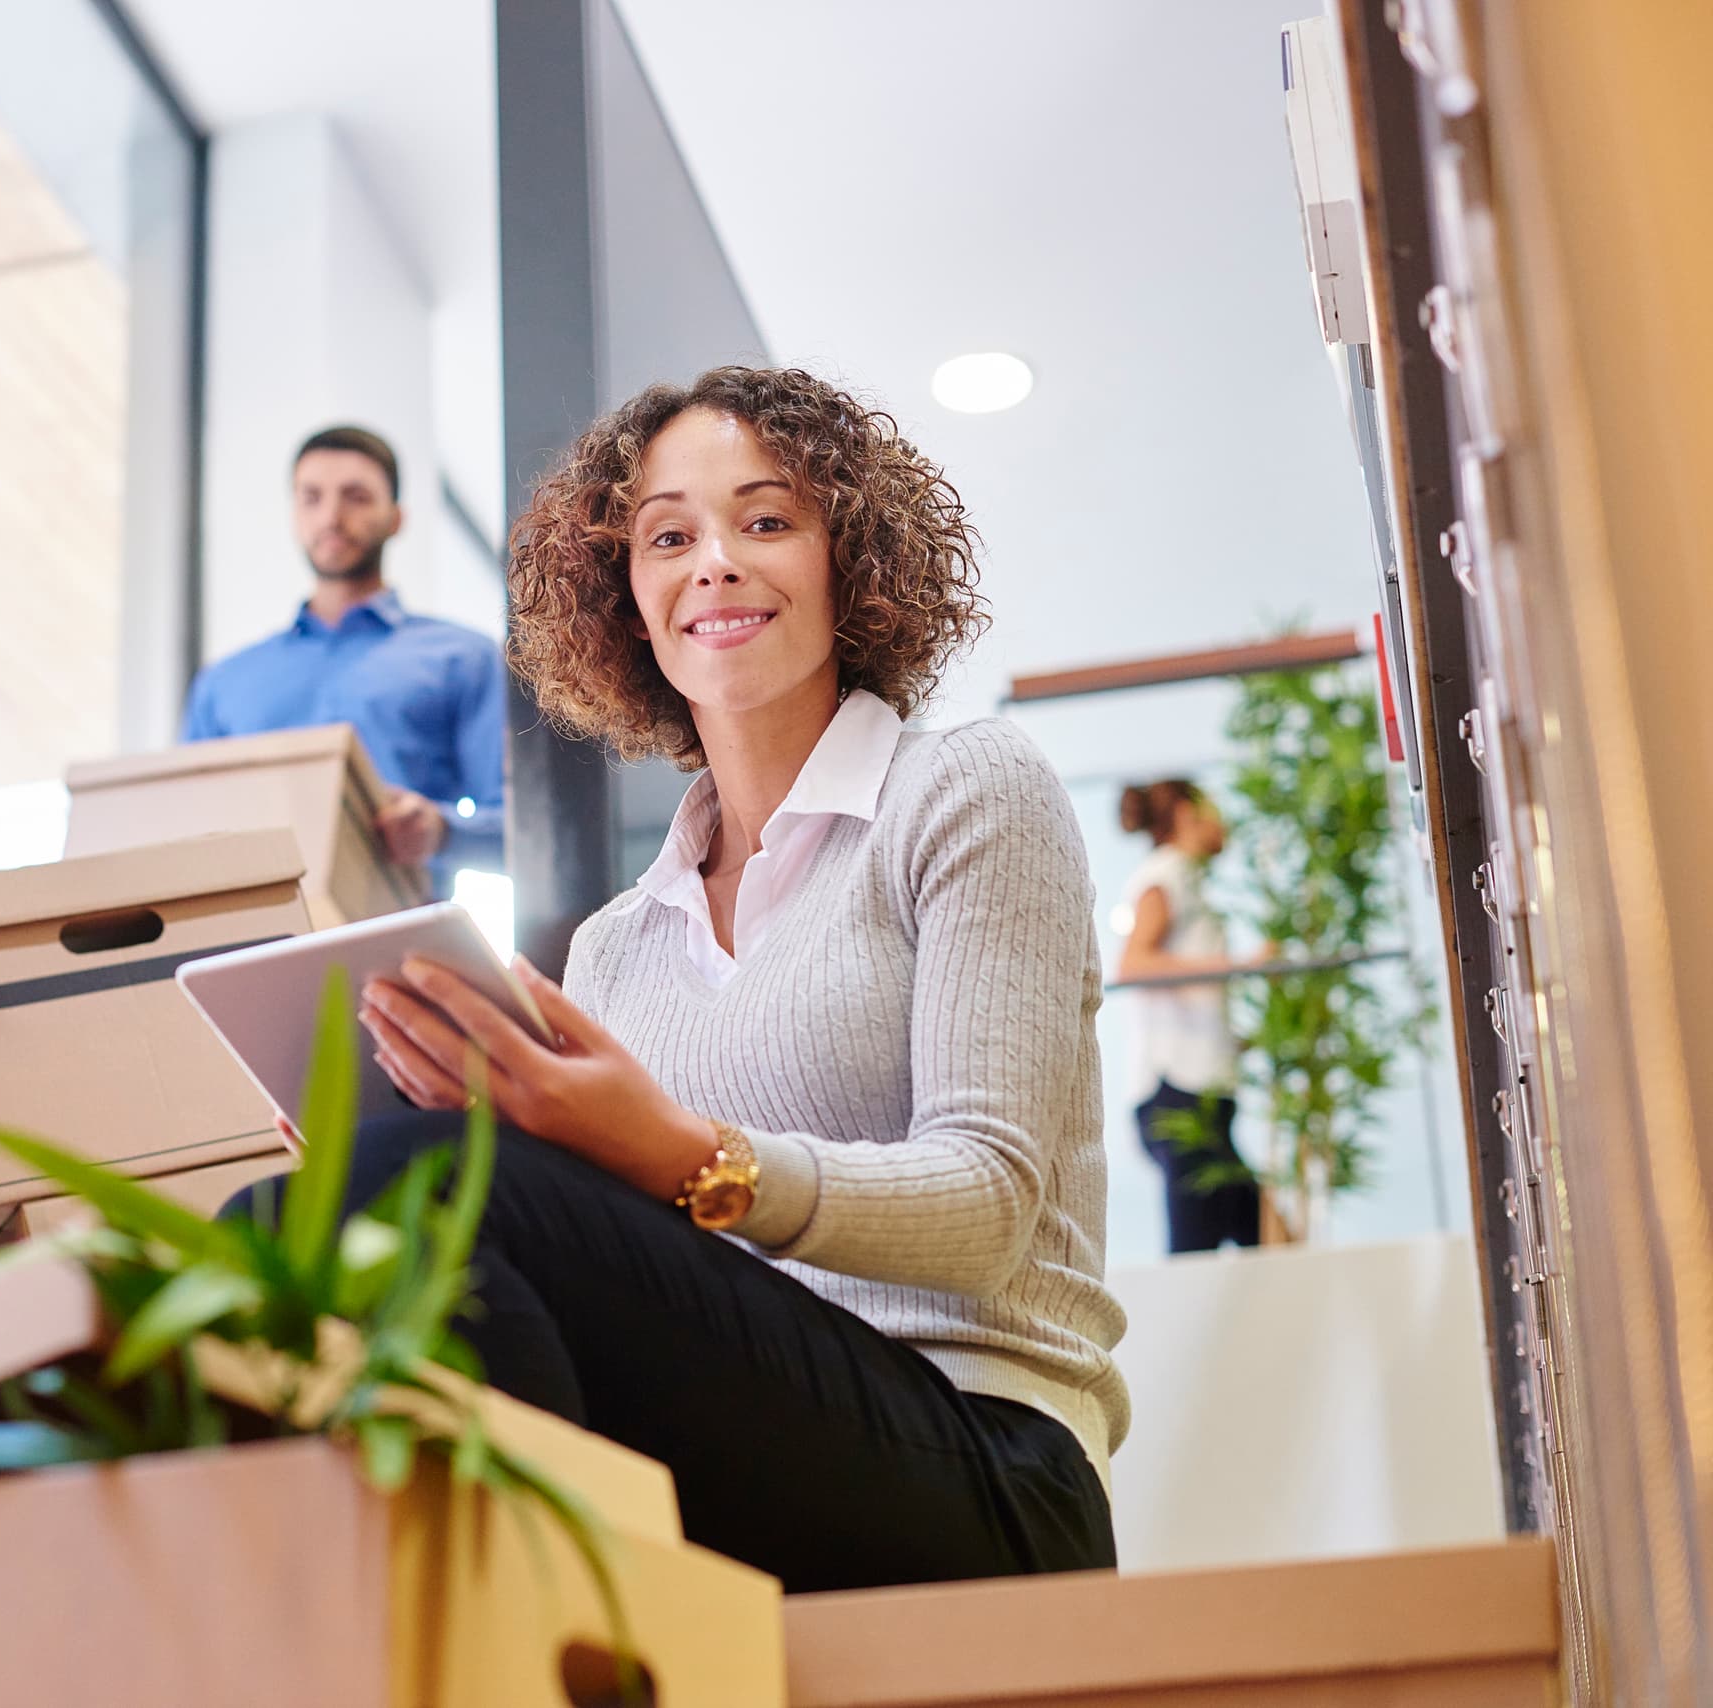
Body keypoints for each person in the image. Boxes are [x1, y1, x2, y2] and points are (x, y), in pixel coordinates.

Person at [236, 367, 1125, 1593]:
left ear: (850, 561)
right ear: (626, 598)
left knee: (424, 1185)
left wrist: (681, 1152)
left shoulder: (964, 789)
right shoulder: (614, 942)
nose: (713, 561)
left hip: (984, 1457)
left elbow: (986, 1210)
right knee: (291, 1214)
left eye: (765, 521)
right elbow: (636, 1281)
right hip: (742, 1441)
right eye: (667, 537)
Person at [182, 426, 505, 883]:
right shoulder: (222, 684)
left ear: (396, 518)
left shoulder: (465, 659)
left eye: (355, 496)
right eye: (311, 497)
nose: (331, 516)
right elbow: (183, 837)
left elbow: (523, 834)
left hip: (399, 943)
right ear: (294, 515)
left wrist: (441, 830)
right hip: (254, 945)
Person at [1113, 779, 1268, 1253]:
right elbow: (1134, 964)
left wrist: (1235, 1039)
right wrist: (1241, 966)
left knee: (1261, 1235)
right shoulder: (1166, 874)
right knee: (1202, 1253)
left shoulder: (1186, 879)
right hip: (1179, 1098)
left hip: (1200, 1093)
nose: (1224, 823)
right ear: (1186, 814)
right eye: (1214, 809)